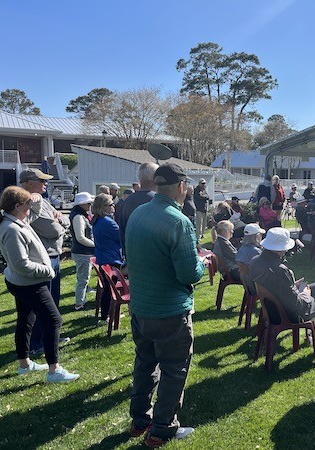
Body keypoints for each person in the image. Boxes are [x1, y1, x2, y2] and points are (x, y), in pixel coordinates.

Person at [125, 161, 206, 445]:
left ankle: (139, 419)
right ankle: (163, 428)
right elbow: (189, 273)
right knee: (174, 369)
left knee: (145, 363)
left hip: (140, 307)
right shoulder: (178, 220)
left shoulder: (137, 212)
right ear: (182, 187)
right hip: (170, 311)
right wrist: (203, 263)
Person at [0, 186, 79, 383]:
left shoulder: (18, 221)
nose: (31, 206)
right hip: (29, 283)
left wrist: (36, 199)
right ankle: (54, 370)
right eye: (27, 203)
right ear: (17, 206)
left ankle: (25, 365)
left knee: (26, 319)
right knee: (53, 320)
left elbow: (35, 213)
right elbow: (21, 265)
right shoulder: (12, 229)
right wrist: (48, 271)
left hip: (22, 282)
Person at [249, 227, 315, 351]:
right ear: (281, 248)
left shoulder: (256, 261)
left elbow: (275, 286)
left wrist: (293, 286)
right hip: (288, 313)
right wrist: (305, 293)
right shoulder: (280, 269)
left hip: (274, 308)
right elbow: (298, 305)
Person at [20, 168, 70, 355]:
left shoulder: (42, 200)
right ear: (29, 183)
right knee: (43, 304)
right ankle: (37, 344)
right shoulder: (28, 203)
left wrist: (60, 220)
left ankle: (50, 338)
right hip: (43, 259)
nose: (46, 184)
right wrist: (60, 223)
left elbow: (63, 219)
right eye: (42, 181)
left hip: (53, 256)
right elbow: (54, 231)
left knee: (53, 301)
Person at [92, 193, 124, 324]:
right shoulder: (107, 222)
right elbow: (121, 237)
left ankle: (107, 314)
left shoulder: (98, 220)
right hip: (111, 259)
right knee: (109, 290)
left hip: (104, 257)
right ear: (104, 207)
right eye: (111, 204)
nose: (114, 206)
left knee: (107, 288)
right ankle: (106, 316)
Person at [118, 162, 158, 250]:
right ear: (156, 178)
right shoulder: (158, 201)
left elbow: (122, 231)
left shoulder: (126, 202)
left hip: (131, 255)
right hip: (153, 256)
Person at [69, 192, 95, 311]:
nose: (90, 205)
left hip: (82, 252)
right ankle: (79, 304)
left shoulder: (80, 214)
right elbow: (80, 237)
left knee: (84, 278)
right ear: (82, 204)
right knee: (83, 279)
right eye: (88, 203)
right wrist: (95, 245)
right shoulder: (78, 217)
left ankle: (81, 301)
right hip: (82, 252)